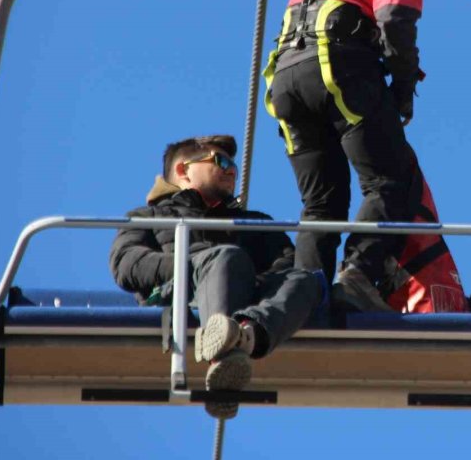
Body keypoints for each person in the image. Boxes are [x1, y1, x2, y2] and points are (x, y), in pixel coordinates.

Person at [264, 0, 471, 311]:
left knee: (321, 204)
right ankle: (358, 279)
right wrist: (404, 87)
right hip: (339, 63)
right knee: (394, 178)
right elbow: (395, 16)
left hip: (286, 77)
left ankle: (305, 299)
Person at [109, 134, 320, 419]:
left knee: (306, 280)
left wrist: (244, 281)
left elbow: (284, 264)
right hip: (183, 295)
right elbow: (126, 263)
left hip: (250, 301)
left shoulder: (252, 223)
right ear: (184, 170)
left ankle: (244, 336)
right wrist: (194, 265)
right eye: (220, 161)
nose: (232, 170)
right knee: (225, 257)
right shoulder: (148, 217)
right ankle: (222, 353)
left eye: (234, 164)